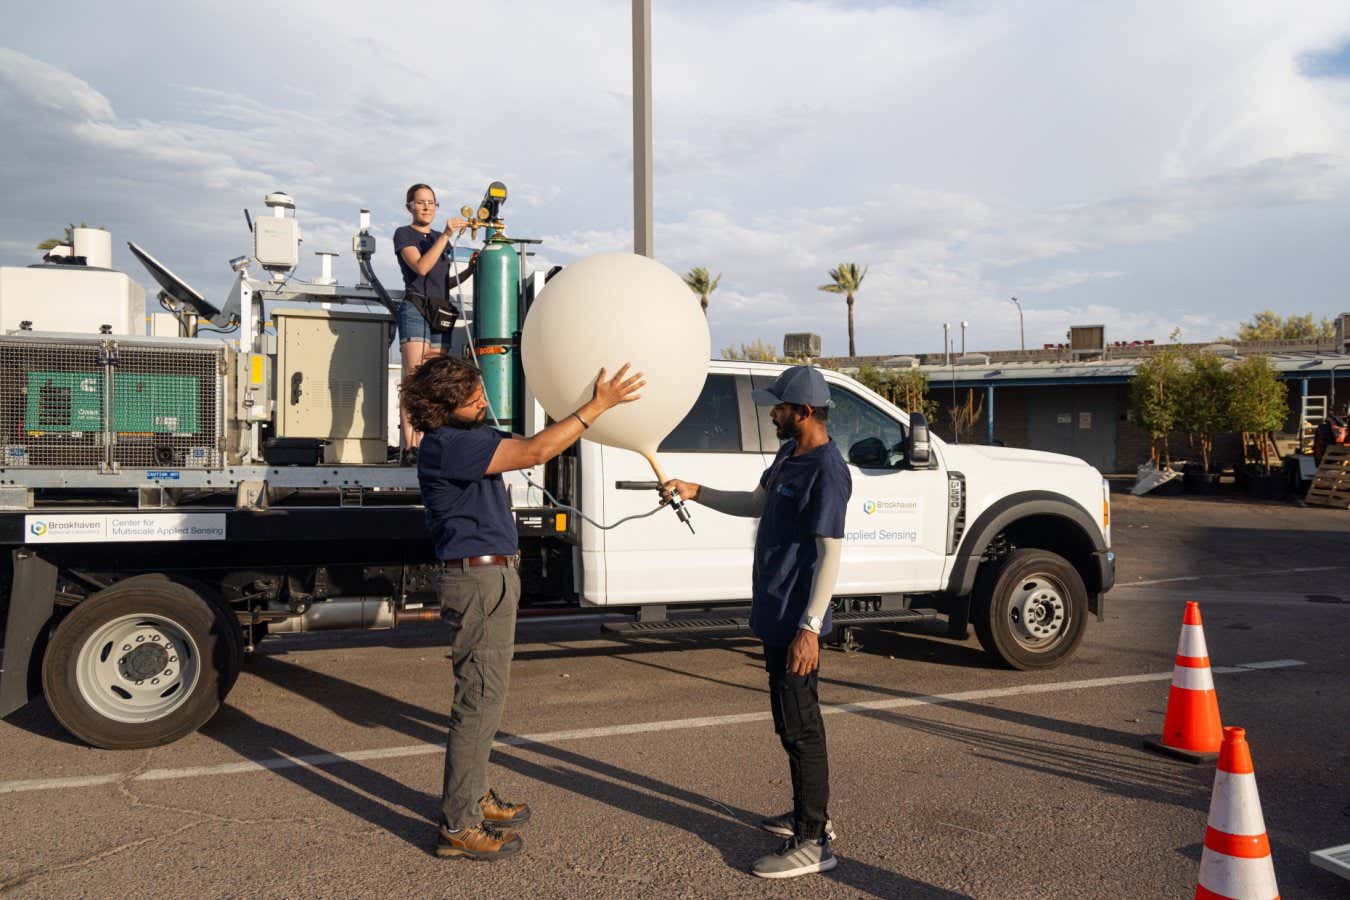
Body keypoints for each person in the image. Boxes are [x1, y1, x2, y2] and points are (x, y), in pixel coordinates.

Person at [401, 354, 645, 861]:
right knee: (478, 700)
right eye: (473, 396)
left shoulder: (463, 438)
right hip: (478, 580)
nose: (484, 400)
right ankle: (458, 825)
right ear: (447, 406)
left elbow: (529, 445)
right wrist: (598, 405)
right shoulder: (450, 445)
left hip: (488, 576)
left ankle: (474, 793)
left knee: (486, 697)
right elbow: (537, 451)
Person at [662, 365, 850, 880]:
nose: (772, 412)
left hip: (796, 621)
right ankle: (808, 813)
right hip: (773, 611)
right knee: (789, 723)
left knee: (801, 726)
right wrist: (696, 490)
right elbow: (757, 503)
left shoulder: (827, 471)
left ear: (804, 412)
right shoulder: (790, 455)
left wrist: (810, 628)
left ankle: (813, 840)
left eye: (780, 406)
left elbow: (830, 554)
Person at [393, 183, 473, 464]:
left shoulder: (442, 239)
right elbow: (422, 268)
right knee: (414, 378)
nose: (427, 207)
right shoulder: (405, 235)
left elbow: (441, 281)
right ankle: (411, 446)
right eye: (421, 202)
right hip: (416, 308)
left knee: (434, 382)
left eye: (431, 203)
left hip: (440, 311)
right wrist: (447, 235)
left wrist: (470, 270)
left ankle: (428, 443)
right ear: (410, 207)